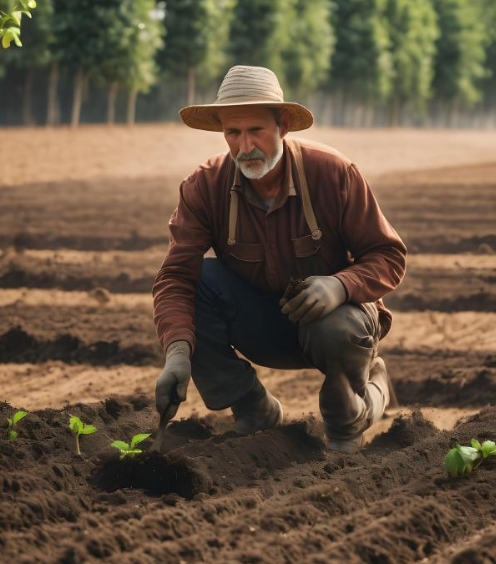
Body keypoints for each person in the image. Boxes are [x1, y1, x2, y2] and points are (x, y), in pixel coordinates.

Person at [152, 65, 406, 453]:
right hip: (261, 325)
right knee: (199, 280)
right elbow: (175, 279)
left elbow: (388, 256)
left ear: (284, 125)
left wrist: (340, 285)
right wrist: (177, 354)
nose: (245, 146)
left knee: (339, 388)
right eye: (233, 133)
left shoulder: (332, 173)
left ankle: (358, 406)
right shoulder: (204, 186)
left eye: (256, 130)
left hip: (334, 326)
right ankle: (254, 408)